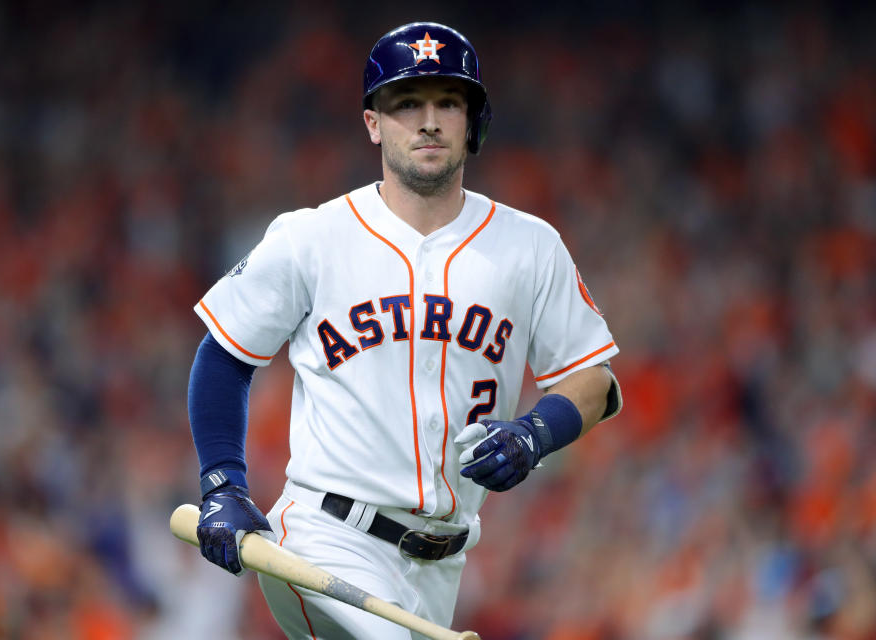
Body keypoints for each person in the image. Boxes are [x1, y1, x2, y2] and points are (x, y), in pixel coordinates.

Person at [186, 21, 622, 639]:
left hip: (441, 564)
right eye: (406, 103)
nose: (429, 121)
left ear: (474, 121)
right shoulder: (313, 237)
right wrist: (222, 483)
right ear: (372, 123)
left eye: (448, 102)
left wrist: (533, 434)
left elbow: (595, 382)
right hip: (326, 540)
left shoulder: (530, 246)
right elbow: (224, 356)